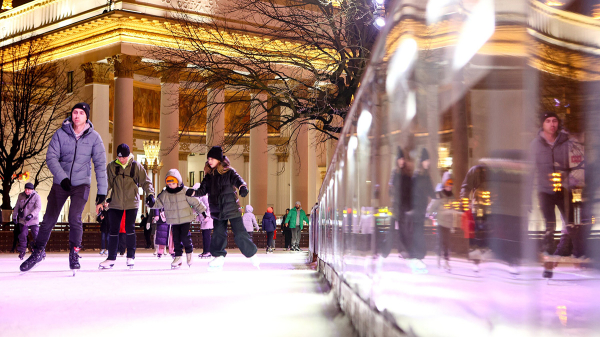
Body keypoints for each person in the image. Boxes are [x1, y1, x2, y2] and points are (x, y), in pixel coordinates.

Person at [20, 102, 107, 274]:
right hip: (61, 183)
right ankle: (38, 252)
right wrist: (63, 178)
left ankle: (74, 254)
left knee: (75, 217)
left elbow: (100, 165)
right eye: (75, 112)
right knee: (48, 220)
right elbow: (51, 157)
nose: (77, 115)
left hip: (81, 184)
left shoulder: (94, 138)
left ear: (86, 117)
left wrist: (102, 193)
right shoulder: (60, 134)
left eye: (81, 113)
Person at [185, 146, 259, 270]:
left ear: (219, 159)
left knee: (240, 234)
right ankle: (218, 256)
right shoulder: (209, 176)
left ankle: (252, 254)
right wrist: (193, 193)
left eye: (212, 158)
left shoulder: (229, 171)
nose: (210, 161)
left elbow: (238, 180)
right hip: (217, 210)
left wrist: (242, 187)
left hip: (232, 209)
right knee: (218, 234)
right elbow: (202, 190)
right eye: (208, 158)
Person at [531, 112, 579, 258]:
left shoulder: (566, 142)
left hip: (564, 189)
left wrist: (571, 178)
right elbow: (531, 170)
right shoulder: (535, 145)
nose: (552, 124)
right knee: (549, 223)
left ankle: (571, 250)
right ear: (542, 124)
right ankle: (549, 253)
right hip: (545, 190)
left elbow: (574, 164)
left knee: (570, 221)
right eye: (548, 121)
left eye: (554, 121)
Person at [99, 143, 155, 269]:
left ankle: (130, 257)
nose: (121, 159)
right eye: (119, 157)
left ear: (128, 155)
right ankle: (111, 258)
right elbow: (107, 184)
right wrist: (101, 199)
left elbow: (146, 182)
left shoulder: (136, 166)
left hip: (132, 203)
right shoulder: (112, 166)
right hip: (115, 203)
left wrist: (150, 194)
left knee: (130, 229)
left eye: (123, 157)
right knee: (113, 230)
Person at [152, 169, 206, 269]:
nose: (171, 186)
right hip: (173, 220)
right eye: (169, 184)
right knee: (176, 239)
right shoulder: (165, 194)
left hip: (185, 218)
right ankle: (178, 257)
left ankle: (189, 253)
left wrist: (203, 212)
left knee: (185, 237)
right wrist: (151, 202)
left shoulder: (185, 191)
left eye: (173, 183)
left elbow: (196, 202)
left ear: (178, 182)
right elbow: (158, 203)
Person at [409, 148, 435, 273]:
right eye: (426, 160)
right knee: (417, 232)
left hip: (422, 209)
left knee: (419, 231)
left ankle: (418, 256)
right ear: (422, 161)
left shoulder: (426, 176)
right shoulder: (417, 175)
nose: (428, 163)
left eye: (428, 161)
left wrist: (440, 195)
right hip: (416, 208)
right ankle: (416, 256)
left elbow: (431, 191)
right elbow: (411, 191)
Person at [427, 172, 457, 271]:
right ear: (444, 183)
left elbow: (453, 211)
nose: (449, 186)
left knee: (447, 243)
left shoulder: (452, 197)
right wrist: (429, 213)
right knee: (440, 241)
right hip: (440, 222)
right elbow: (432, 205)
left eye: (451, 184)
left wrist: (453, 225)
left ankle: (446, 262)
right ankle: (438, 259)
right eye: (448, 183)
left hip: (448, 224)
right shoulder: (439, 195)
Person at [388, 146, 412, 258]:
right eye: (400, 159)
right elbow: (390, 191)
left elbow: (409, 190)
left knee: (404, 229)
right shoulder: (395, 173)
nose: (401, 161)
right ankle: (401, 250)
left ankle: (405, 250)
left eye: (403, 159)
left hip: (405, 206)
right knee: (400, 229)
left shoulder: (406, 173)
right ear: (397, 160)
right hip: (398, 206)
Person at [12, 182, 42, 260]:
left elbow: (38, 208)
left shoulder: (36, 196)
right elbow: (17, 206)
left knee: (36, 235)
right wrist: (14, 216)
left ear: (32, 190)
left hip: (33, 220)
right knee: (22, 235)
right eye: (26, 189)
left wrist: (31, 215)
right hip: (23, 220)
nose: (27, 191)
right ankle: (22, 250)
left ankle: (40, 250)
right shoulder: (21, 196)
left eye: (29, 189)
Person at [197, 194, 213, 258]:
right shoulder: (198, 198)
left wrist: (208, 216)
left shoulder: (204, 198)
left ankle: (208, 251)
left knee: (206, 236)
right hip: (203, 220)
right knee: (204, 236)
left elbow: (208, 207)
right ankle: (205, 251)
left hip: (207, 220)